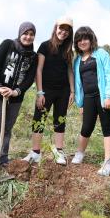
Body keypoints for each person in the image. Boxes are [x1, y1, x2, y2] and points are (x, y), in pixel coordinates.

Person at [0, 22, 38, 176]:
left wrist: (16, 91)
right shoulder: (8, 44)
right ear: (20, 33)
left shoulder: (33, 56)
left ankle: (2, 158)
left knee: (7, 128)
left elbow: (29, 78)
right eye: (25, 33)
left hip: (15, 98)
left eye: (31, 34)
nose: (28, 37)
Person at [23, 17, 74, 165]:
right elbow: (38, 70)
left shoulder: (68, 49)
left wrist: (72, 91)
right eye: (61, 28)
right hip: (46, 90)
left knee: (60, 119)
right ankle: (36, 152)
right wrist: (40, 92)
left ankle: (59, 151)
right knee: (39, 118)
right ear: (55, 28)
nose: (63, 32)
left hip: (63, 91)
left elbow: (70, 70)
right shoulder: (45, 46)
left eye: (67, 30)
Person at [72, 26, 110, 176]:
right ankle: (80, 153)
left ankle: (108, 163)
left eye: (85, 38)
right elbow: (78, 83)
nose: (82, 41)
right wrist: (80, 103)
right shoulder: (77, 60)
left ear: (91, 39)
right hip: (88, 98)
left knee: (107, 127)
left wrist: (109, 96)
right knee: (86, 128)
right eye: (79, 39)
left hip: (103, 96)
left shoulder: (101, 54)